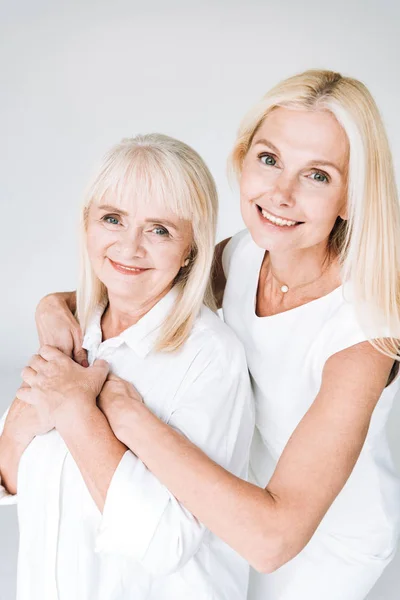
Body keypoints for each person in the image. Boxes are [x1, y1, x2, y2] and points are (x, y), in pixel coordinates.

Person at [33, 70, 400, 600]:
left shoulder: (364, 333)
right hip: (235, 500)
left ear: (351, 196)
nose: (280, 194)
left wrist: (117, 407)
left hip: (316, 538)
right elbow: (142, 276)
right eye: (270, 159)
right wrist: (52, 308)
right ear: (242, 157)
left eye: (317, 175)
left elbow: (274, 541)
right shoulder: (245, 256)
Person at [0, 134, 255, 600]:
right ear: (87, 225)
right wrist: (22, 424)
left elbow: (166, 545)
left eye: (159, 229)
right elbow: (11, 481)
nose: (130, 246)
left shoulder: (210, 357)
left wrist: (76, 414)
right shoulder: (74, 332)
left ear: (192, 248)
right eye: (112, 219)